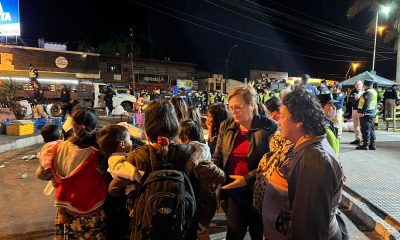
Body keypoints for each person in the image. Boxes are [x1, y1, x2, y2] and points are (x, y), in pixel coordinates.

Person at [111, 100, 199, 239]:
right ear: (175, 126)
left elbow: (113, 189)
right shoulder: (189, 153)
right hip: (181, 228)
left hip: (146, 228)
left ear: (147, 128)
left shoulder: (137, 156)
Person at [264, 87, 345, 239]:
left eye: (282, 117)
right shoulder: (307, 148)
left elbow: (310, 227)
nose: (279, 122)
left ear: (299, 120)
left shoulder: (313, 159)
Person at [212, 84, 277, 240]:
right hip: (234, 192)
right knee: (234, 233)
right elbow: (218, 157)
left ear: (251, 106)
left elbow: (272, 163)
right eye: (231, 107)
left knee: (258, 232)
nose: (233, 111)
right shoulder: (226, 126)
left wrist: (247, 179)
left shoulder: (268, 127)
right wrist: (212, 172)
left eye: (238, 107)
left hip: (259, 191)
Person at [37, 107, 107, 239]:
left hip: (66, 210)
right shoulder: (101, 151)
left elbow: (42, 174)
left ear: (73, 126)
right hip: (95, 210)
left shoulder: (56, 148)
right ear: (95, 125)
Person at [178, 120, 226, 240]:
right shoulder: (199, 150)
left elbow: (220, 176)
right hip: (202, 199)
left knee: (200, 230)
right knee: (198, 230)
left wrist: (191, 163)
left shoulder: (196, 150)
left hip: (202, 200)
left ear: (185, 137)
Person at [97, 124, 145, 240]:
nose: (131, 142)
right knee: (132, 197)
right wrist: (141, 176)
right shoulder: (115, 159)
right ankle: (133, 209)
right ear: (122, 144)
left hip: (120, 197)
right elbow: (129, 171)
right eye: (129, 139)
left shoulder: (121, 155)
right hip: (126, 191)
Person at [356, 80, 378, 150]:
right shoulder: (374, 91)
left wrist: (362, 112)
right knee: (370, 128)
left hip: (367, 114)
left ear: (365, 85)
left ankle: (365, 145)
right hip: (372, 112)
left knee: (365, 129)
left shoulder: (368, 92)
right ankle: (372, 144)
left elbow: (367, 103)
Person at [348, 80, 364, 145]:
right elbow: (350, 98)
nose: (358, 86)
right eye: (357, 84)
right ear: (355, 86)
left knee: (361, 125)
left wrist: (359, 97)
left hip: (361, 110)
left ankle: (362, 139)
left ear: (362, 85)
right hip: (354, 109)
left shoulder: (365, 92)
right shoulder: (353, 91)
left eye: (359, 84)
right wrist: (355, 97)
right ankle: (357, 139)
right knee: (356, 125)